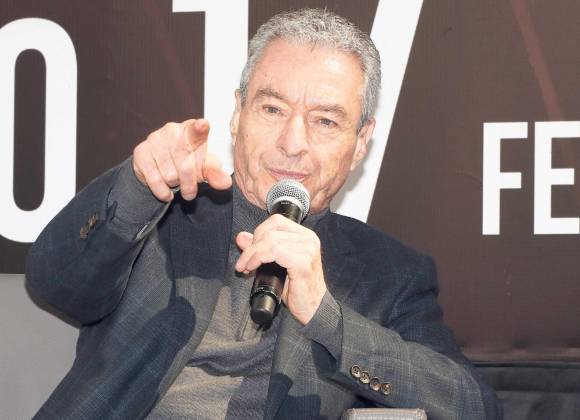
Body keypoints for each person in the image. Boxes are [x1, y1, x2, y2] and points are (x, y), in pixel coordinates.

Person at [26, 8, 502, 420]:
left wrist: (329, 319)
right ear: (238, 115)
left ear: (360, 143)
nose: (292, 143)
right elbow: (54, 283)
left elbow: (471, 406)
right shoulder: (162, 214)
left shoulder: (388, 274)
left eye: (325, 121)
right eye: (273, 109)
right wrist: (135, 187)